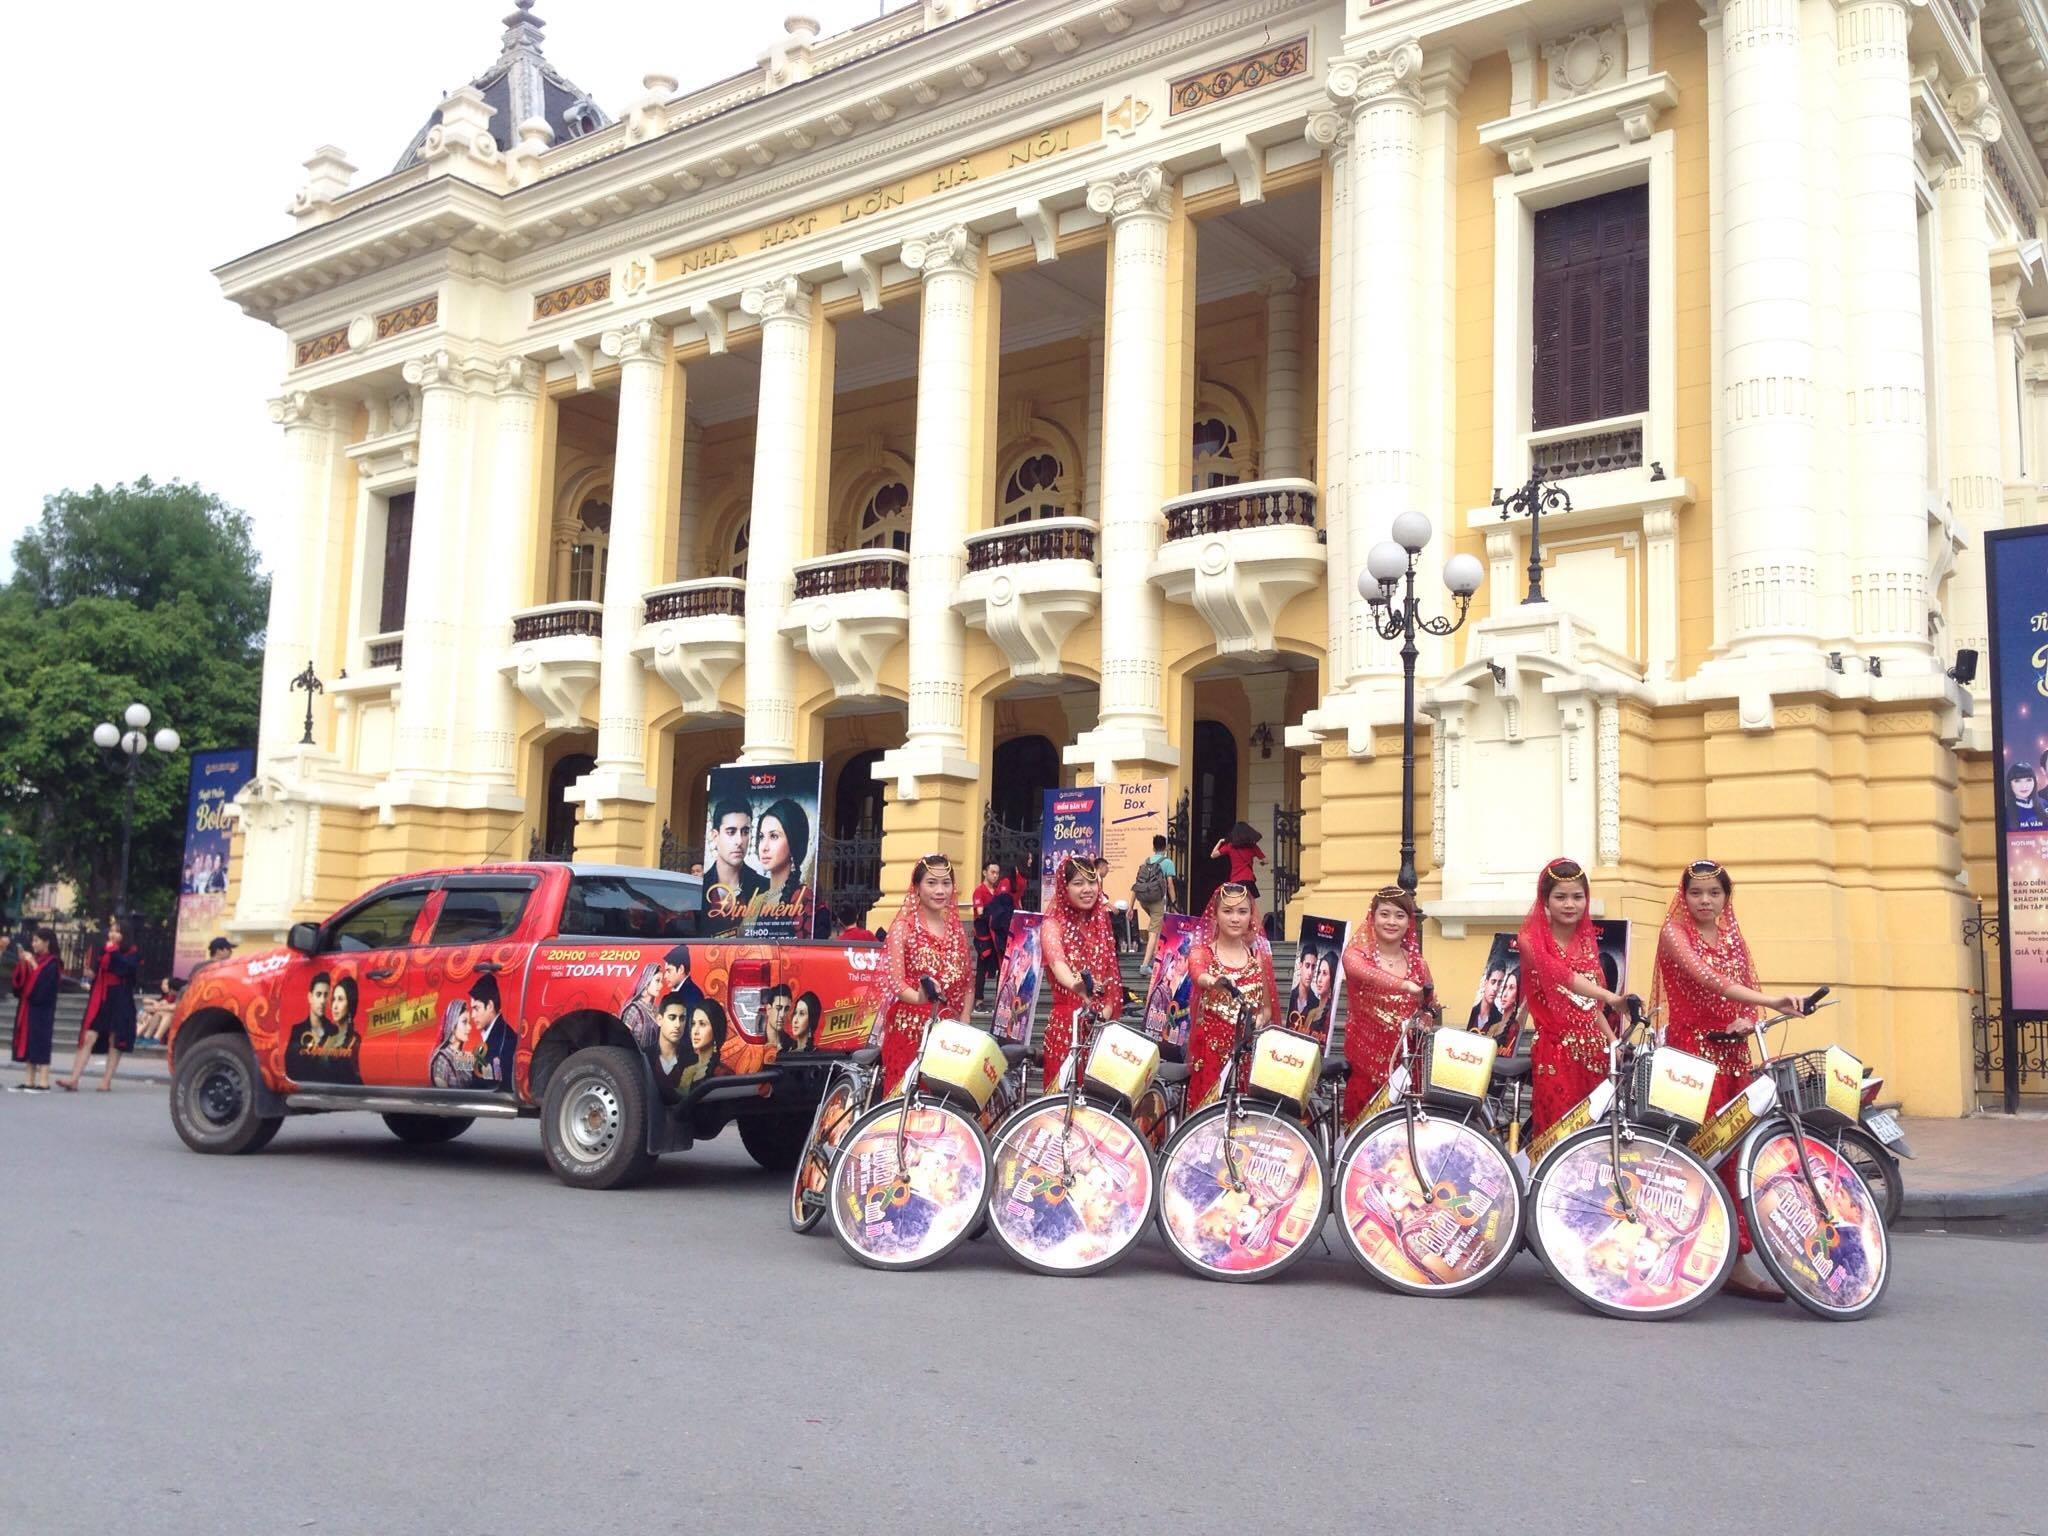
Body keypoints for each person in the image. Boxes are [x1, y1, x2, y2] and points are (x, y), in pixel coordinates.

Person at [1654, 858, 1809, 1301]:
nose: (1706, 901)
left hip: (1732, 1055)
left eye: (1715, 893)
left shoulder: (1730, 935)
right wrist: (1773, 1000)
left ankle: (1728, 1256)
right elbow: (1712, 981)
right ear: (1684, 897)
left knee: (1737, 1152)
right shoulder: (1674, 934)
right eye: (1697, 892)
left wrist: (1745, 1019)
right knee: (1702, 1153)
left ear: (1726, 897)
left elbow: (1735, 988)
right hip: (1693, 1060)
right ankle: (1720, 1261)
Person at [1518, 857, 1625, 1140]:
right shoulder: (1530, 940)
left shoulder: (1587, 941)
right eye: (1561, 897)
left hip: (1594, 1051)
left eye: (1577, 897)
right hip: (1556, 1052)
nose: (1570, 904)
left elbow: (1588, 1005)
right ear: (1545, 900)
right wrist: (1611, 997)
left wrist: (1612, 1040)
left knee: (1595, 1137)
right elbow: (1563, 977)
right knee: (1559, 1134)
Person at [874, 855, 974, 1095]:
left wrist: (966, 1018)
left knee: (942, 1112)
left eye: (946, 883)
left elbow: (967, 982)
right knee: (905, 1106)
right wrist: (920, 998)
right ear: (916, 888)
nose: (940, 890)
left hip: (947, 1038)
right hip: (909, 1032)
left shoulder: (955, 931)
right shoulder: (903, 928)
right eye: (932, 883)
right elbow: (896, 983)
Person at [1339, 887, 1434, 1126]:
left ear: (1409, 922)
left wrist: (1425, 1020)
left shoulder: (1418, 964)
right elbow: (1364, 974)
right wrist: (1403, 985)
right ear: (1372, 918)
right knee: (1361, 1135)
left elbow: (1429, 1006)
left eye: (1400, 916)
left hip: (1407, 1066)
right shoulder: (1356, 955)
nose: (1392, 922)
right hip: (1365, 1064)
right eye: (1385, 914)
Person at [1184, 883, 1279, 1109]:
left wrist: (1259, 1020)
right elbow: (1198, 973)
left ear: (1251, 916)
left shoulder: (1258, 960)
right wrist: (1213, 982)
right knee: (1207, 1122)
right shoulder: (1203, 953)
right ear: (1215, 915)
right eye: (1227, 911)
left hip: (1246, 1057)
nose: (1235, 918)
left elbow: (1266, 1008)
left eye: (1242, 912)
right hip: (1210, 1056)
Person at [1040, 856, 1125, 1089]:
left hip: (1101, 1029)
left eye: (1092, 882)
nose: (1088, 890)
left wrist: (1105, 1012)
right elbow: (1060, 968)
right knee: (1062, 1109)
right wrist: (1077, 984)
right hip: (1067, 1028)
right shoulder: (1052, 925)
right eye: (1078, 883)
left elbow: (1112, 978)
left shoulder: (1100, 924)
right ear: (1064, 887)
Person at [60, 916, 141, 1092]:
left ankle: (106, 1080)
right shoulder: (104, 950)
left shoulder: (133, 952)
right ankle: (74, 1078)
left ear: (125, 935)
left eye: (117, 931)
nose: (113, 934)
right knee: (89, 1036)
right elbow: (99, 969)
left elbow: (125, 969)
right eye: (111, 931)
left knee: (114, 1038)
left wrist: (114, 952)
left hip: (120, 998)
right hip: (102, 997)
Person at [704, 797, 768, 933]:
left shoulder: (765, 888)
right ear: (715, 837)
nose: (739, 841)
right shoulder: (700, 887)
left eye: (745, 832)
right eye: (731, 832)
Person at [9, 928, 61, 1092]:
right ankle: (29, 1081)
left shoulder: (53, 962)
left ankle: (44, 1082)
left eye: (37, 940)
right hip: (28, 1006)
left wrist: (32, 964)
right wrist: (23, 964)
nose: (34, 944)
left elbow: (45, 986)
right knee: (29, 1041)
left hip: (43, 1008)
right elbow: (22, 983)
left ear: (47, 942)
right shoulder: (38, 959)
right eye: (33, 941)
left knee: (41, 1041)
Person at [748, 798, 812, 930]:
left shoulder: (802, 897)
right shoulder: (758, 899)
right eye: (761, 837)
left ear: (793, 842)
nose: (764, 847)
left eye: (774, 836)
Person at [464, 972, 517, 1091]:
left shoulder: (504, 1039)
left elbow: (492, 1080)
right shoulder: (497, 1034)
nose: (473, 1015)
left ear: (490, 1006)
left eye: (476, 1008)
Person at [1133, 835, 1179, 970]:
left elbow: (1137, 882)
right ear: (1165, 848)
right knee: (1153, 931)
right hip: (1156, 901)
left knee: (1157, 925)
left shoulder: (1147, 861)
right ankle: (1145, 965)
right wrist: (1174, 902)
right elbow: (1170, 884)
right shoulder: (1167, 862)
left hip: (1143, 900)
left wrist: (1131, 905)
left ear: (1153, 847)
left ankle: (1156, 956)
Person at [971, 861, 1009, 1005]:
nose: (995, 875)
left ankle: (999, 1000)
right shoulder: (979, 891)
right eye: (992, 872)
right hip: (984, 936)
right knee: (982, 968)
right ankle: (978, 1000)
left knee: (1001, 967)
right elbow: (980, 913)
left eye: (997, 873)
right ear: (984, 873)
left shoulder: (998, 891)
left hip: (997, 935)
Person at [1210, 821, 1268, 899]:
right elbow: (1265, 861)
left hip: (1235, 879)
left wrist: (1220, 842)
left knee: (1237, 901)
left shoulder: (1230, 846)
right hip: (1248, 878)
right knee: (1250, 901)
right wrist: (1262, 863)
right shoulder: (1253, 847)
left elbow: (1213, 855)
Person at [2010, 765, 2046, 830]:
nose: (2024, 786)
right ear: (2009, 784)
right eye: (2017, 781)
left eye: (2028, 780)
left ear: (2034, 782)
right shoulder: (2006, 812)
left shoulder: (2044, 804)